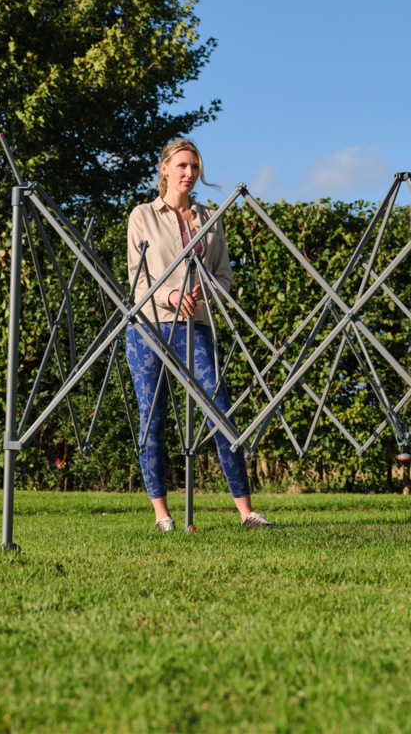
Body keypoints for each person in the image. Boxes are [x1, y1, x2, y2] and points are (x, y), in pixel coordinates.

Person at [125, 138, 273, 532]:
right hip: (149, 328)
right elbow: (137, 281)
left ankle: (246, 512)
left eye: (194, 167)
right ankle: (162, 516)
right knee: (152, 420)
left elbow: (223, 274)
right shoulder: (142, 215)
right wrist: (173, 295)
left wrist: (206, 292)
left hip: (197, 327)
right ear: (164, 169)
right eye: (182, 166)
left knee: (220, 412)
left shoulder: (211, 217)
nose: (189, 173)